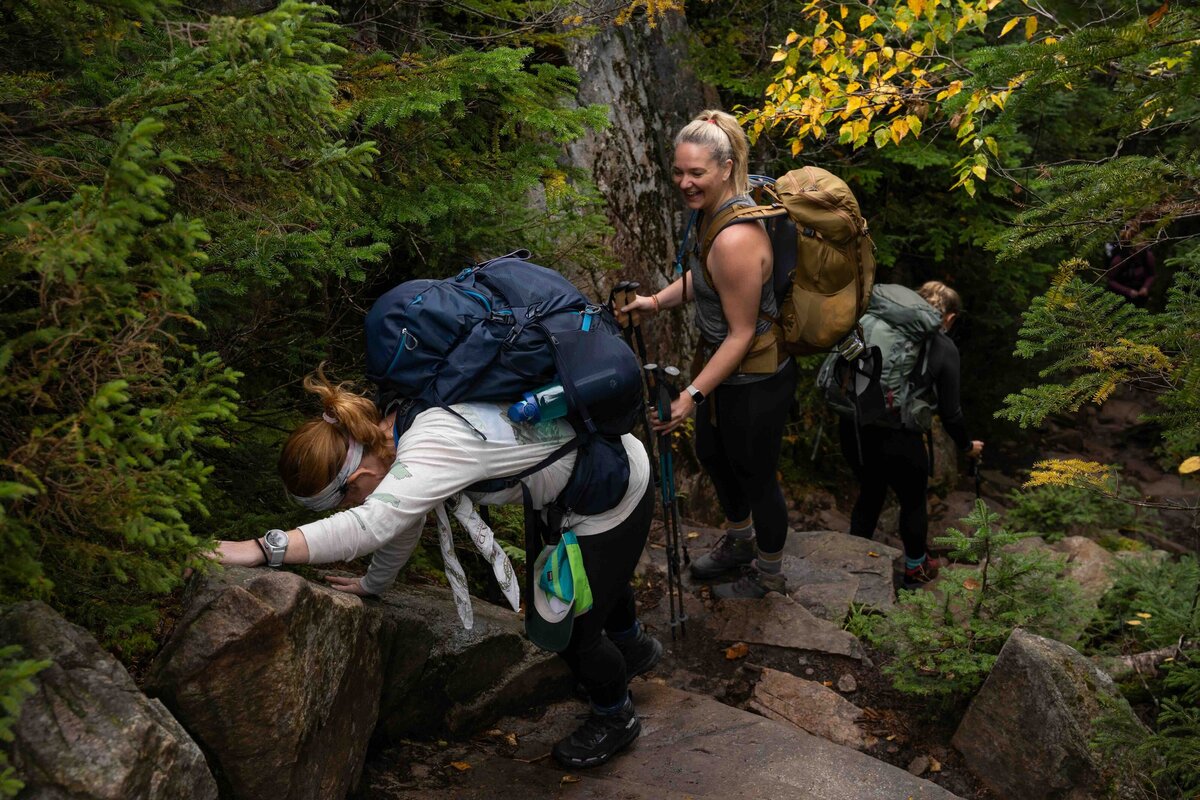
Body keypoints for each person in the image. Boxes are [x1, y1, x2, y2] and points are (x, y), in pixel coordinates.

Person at [214, 368, 660, 769]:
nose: (357, 505)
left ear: (353, 482)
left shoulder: (432, 446)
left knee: (575, 636)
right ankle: (633, 647)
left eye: (348, 500)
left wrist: (262, 548)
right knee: (599, 578)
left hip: (614, 490)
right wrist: (373, 584)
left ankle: (615, 715)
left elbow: (373, 524)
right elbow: (401, 518)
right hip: (593, 471)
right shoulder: (394, 421)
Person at [622, 109, 798, 599]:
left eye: (696, 173)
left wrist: (691, 396)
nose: (685, 182)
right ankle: (741, 543)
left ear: (724, 168)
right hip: (725, 370)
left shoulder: (737, 237)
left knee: (756, 473)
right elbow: (705, 279)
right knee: (713, 455)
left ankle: (769, 574)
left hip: (756, 375)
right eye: (678, 171)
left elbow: (741, 334)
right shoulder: (711, 216)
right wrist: (653, 302)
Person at [838, 281, 983, 588]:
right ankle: (915, 569)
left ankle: (848, 565)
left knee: (870, 492)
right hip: (900, 437)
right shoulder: (944, 348)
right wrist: (967, 446)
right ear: (950, 318)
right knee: (913, 501)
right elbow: (951, 412)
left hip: (855, 428)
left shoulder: (873, 324)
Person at [1106, 221, 1155, 307]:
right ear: (1132, 243)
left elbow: (1151, 275)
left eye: (1145, 241)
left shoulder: (1147, 256)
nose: (1144, 244)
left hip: (1139, 297)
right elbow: (1110, 281)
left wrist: (1145, 287)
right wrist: (1128, 291)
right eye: (1140, 242)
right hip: (1119, 298)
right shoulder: (1119, 259)